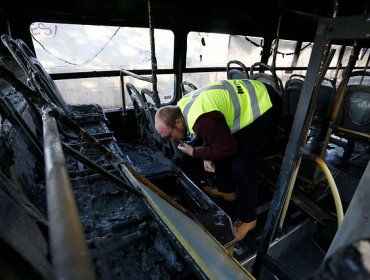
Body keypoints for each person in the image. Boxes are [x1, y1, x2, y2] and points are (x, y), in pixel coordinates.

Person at [155, 79, 282, 241]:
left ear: (179, 122)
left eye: (169, 135)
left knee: (241, 162)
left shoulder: (201, 118)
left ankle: (248, 219)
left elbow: (228, 147)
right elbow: (212, 132)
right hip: (252, 97)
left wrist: (196, 153)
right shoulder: (182, 106)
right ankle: (227, 190)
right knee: (218, 148)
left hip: (266, 104)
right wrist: (207, 154)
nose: (171, 140)